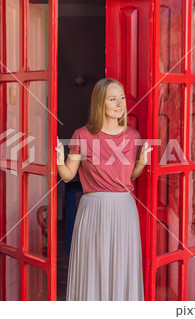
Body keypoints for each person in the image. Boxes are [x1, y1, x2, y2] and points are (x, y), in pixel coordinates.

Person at [56, 78, 152, 301]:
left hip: (123, 209)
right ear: (100, 103)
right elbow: (69, 174)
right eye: (113, 99)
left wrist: (141, 163)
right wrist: (61, 161)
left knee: (122, 266)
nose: (120, 104)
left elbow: (129, 178)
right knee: (93, 266)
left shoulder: (133, 136)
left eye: (121, 98)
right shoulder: (82, 135)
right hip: (93, 209)